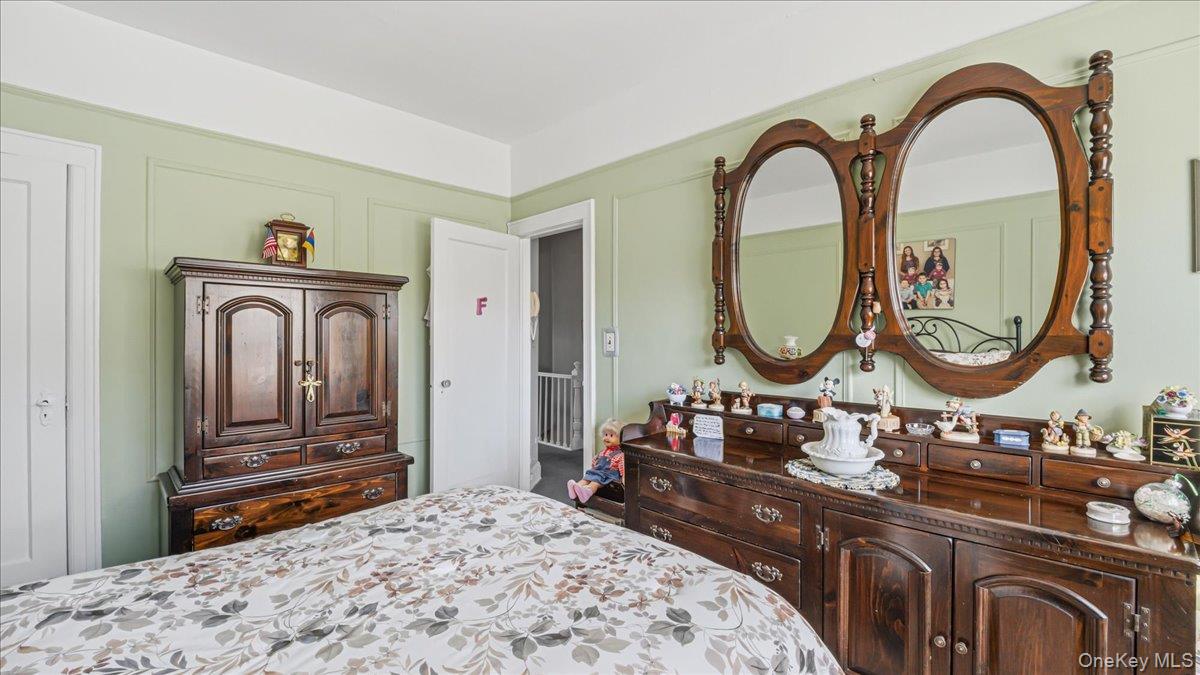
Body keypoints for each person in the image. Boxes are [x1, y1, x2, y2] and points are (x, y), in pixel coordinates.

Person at [568, 419, 625, 504]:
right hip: (599, 471)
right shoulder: (604, 451)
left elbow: (622, 467)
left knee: (595, 481)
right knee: (588, 477)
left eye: (611, 435)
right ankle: (576, 488)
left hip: (608, 475)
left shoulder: (620, 454)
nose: (606, 437)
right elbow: (597, 460)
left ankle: (588, 492)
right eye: (605, 434)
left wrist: (624, 478)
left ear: (620, 438)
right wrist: (595, 461)